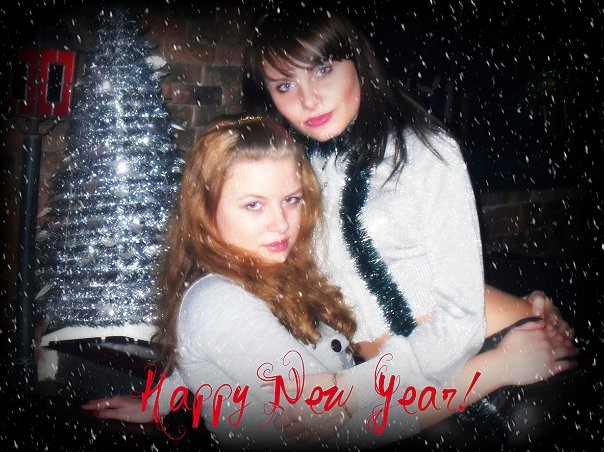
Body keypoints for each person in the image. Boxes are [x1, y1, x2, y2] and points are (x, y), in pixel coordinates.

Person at [84, 5, 579, 447]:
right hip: (402, 383)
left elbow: (462, 316)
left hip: (497, 356)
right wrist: (172, 393)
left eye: (322, 69)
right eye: (285, 85)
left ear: (357, 63)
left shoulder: (425, 152)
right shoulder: (293, 167)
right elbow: (232, 317)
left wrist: (345, 392)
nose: (308, 99)